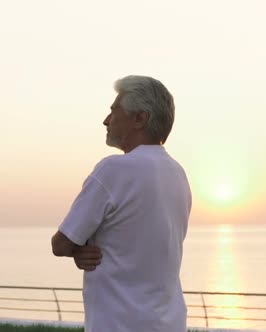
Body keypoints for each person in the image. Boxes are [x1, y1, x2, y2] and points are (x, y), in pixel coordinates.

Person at [51, 75, 192, 332]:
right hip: (169, 323)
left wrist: (76, 249)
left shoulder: (113, 170)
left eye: (114, 111)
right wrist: (80, 249)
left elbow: (61, 243)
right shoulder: (177, 173)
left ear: (140, 118)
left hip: (119, 324)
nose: (106, 121)